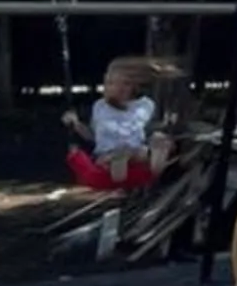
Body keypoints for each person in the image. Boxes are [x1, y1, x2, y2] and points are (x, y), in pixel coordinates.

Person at [64, 60, 172, 192]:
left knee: (143, 149)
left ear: (134, 86)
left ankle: (152, 163)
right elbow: (93, 136)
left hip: (135, 152)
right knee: (117, 156)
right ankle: (120, 163)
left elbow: (147, 130)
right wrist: (76, 124)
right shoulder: (100, 106)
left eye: (125, 84)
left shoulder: (146, 105)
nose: (117, 88)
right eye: (111, 83)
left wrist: (163, 130)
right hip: (106, 155)